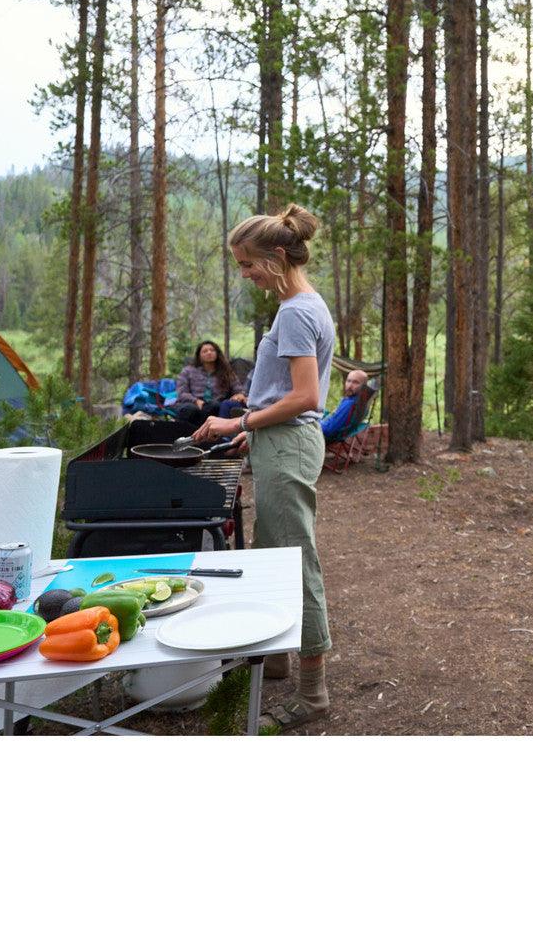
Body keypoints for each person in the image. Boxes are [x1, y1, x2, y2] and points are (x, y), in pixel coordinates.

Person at [194, 202, 337, 731]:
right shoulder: (302, 305)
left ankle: (313, 692)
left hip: (290, 442)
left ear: (277, 255)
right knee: (272, 554)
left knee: (297, 560)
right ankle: (276, 658)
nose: (246, 275)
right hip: (278, 443)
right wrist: (252, 432)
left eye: (248, 265)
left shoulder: (298, 311)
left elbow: (303, 396)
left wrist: (239, 424)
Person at [172, 341, 245, 429]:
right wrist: (196, 401)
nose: (209, 352)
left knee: (214, 406)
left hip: (214, 404)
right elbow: (181, 392)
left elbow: (238, 389)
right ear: (199, 355)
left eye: (212, 350)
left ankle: (205, 435)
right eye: (205, 351)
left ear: (217, 353)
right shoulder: (188, 371)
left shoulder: (226, 371)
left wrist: (239, 395)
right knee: (190, 409)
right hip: (191, 403)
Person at [321, 369, 370, 443]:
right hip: (337, 430)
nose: (350, 385)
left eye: (355, 382)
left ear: (364, 386)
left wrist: (317, 423)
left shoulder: (351, 403)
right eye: (348, 381)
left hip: (328, 435)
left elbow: (329, 430)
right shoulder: (362, 402)